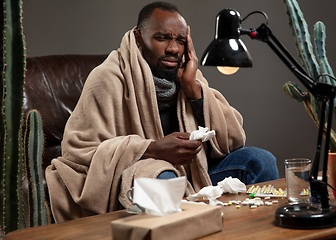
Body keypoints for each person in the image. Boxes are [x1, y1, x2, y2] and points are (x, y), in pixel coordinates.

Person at [45, 1, 279, 223]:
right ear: (139, 38)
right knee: (161, 177)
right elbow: (79, 153)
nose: (174, 48)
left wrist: (193, 90)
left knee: (260, 161)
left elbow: (233, 138)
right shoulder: (108, 77)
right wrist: (152, 150)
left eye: (180, 40)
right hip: (134, 181)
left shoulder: (187, 75)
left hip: (192, 176)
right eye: (162, 38)